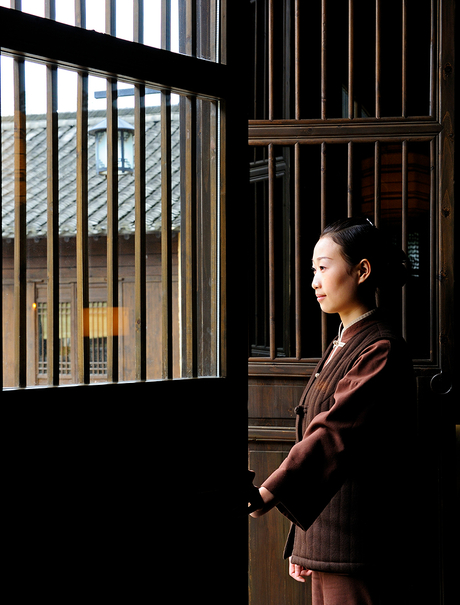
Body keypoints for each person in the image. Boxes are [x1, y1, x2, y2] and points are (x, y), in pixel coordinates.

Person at [249, 218, 418, 605]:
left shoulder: (381, 348)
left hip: (359, 542)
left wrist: (268, 492)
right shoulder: (342, 342)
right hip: (329, 541)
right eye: (313, 270)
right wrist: (305, 543)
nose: (314, 282)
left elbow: (333, 434)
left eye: (323, 268)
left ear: (361, 271)